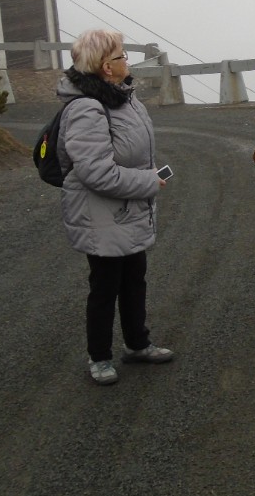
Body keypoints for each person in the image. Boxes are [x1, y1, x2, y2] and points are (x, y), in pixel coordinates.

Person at [57, 29, 173, 386]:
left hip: (127, 209)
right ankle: (100, 357)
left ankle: (137, 344)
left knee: (134, 279)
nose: (127, 61)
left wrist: (147, 176)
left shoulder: (123, 97)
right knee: (105, 287)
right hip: (100, 215)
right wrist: (148, 181)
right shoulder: (86, 108)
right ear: (107, 67)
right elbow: (97, 173)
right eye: (122, 56)